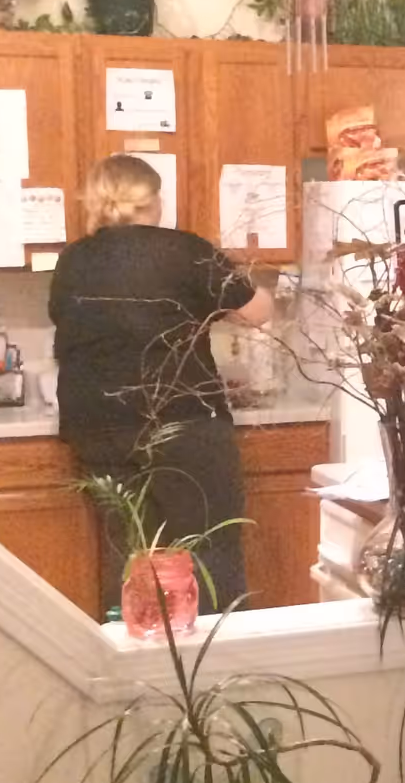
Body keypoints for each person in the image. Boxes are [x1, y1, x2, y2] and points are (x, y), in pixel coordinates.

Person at [49, 155, 275, 613]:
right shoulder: (183, 250)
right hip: (180, 422)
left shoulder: (72, 259)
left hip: (98, 427)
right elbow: (254, 313)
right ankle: (217, 663)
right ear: (153, 200)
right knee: (207, 546)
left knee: (129, 554)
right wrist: (267, 289)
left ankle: (134, 664)